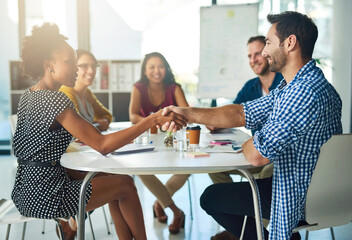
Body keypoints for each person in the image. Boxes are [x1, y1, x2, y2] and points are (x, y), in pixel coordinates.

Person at [162, 11, 342, 240]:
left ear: (290, 43)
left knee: (211, 198)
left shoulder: (301, 93)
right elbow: (240, 112)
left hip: (297, 195)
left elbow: (257, 155)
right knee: (221, 194)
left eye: (268, 42)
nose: (265, 52)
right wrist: (187, 113)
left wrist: (250, 141)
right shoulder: (301, 86)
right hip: (323, 191)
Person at [11, 23, 185, 240]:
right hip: (48, 194)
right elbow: (102, 145)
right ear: (49, 65)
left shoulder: (29, 95)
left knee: (114, 177)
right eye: (69, 62)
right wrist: (153, 119)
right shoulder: (55, 99)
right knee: (126, 185)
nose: (76, 69)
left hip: (25, 189)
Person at [208, 35, 282, 185]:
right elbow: (233, 113)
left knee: (267, 173)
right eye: (249, 56)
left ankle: (254, 203)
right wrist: (216, 121)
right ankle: (236, 205)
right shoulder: (251, 86)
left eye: (257, 54)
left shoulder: (284, 82)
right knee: (214, 167)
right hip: (256, 154)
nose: (253, 60)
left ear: (268, 52)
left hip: (279, 157)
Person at [129, 52, 189, 234]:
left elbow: (187, 112)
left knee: (188, 169)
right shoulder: (138, 87)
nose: (157, 71)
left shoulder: (174, 88)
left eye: (160, 66)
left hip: (173, 138)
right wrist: (155, 121)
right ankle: (176, 211)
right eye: (152, 67)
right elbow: (132, 116)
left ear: (166, 69)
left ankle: (159, 203)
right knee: (140, 170)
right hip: (147, 140)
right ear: (145, 71)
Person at [60, 49, 112, 131]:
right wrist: (97, 125)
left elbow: (106, 115)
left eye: (94, 66)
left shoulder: (86, 93)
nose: (91, 71)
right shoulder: (65, 92)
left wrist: (104, 121)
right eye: (84, 66)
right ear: (73, 68)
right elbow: (78, 126)